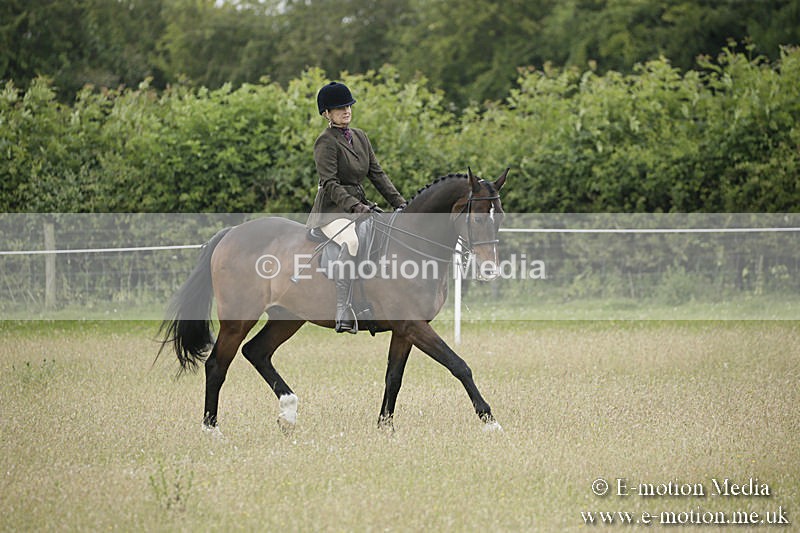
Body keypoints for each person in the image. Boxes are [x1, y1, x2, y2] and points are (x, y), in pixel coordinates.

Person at [307, 81, 407, 334]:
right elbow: (329, 183)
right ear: (326, 114)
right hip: (332, 211)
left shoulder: (360, 136)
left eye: (348, 106)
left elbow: (377, 174)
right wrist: (354, 206)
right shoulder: (325, 142)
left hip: (358, 207)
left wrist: (402, 204)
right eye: (339, 108)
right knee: (351, 242)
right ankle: (343, 308)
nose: (346, 111)